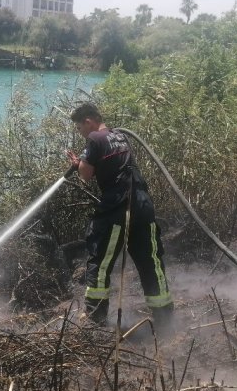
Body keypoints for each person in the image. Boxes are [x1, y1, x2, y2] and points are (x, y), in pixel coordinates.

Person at [66, 103, 173, 327]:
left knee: (101, 261)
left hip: (117, 207)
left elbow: (86, 175)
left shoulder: (95, 138)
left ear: (88, 121)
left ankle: (95, 319)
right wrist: (84, 162)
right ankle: (164, 320)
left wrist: (78, 165)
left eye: (79, 128)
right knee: (150, 261)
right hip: (142, 205)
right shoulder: (120, 136)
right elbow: (114, 164)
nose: (81, 133)